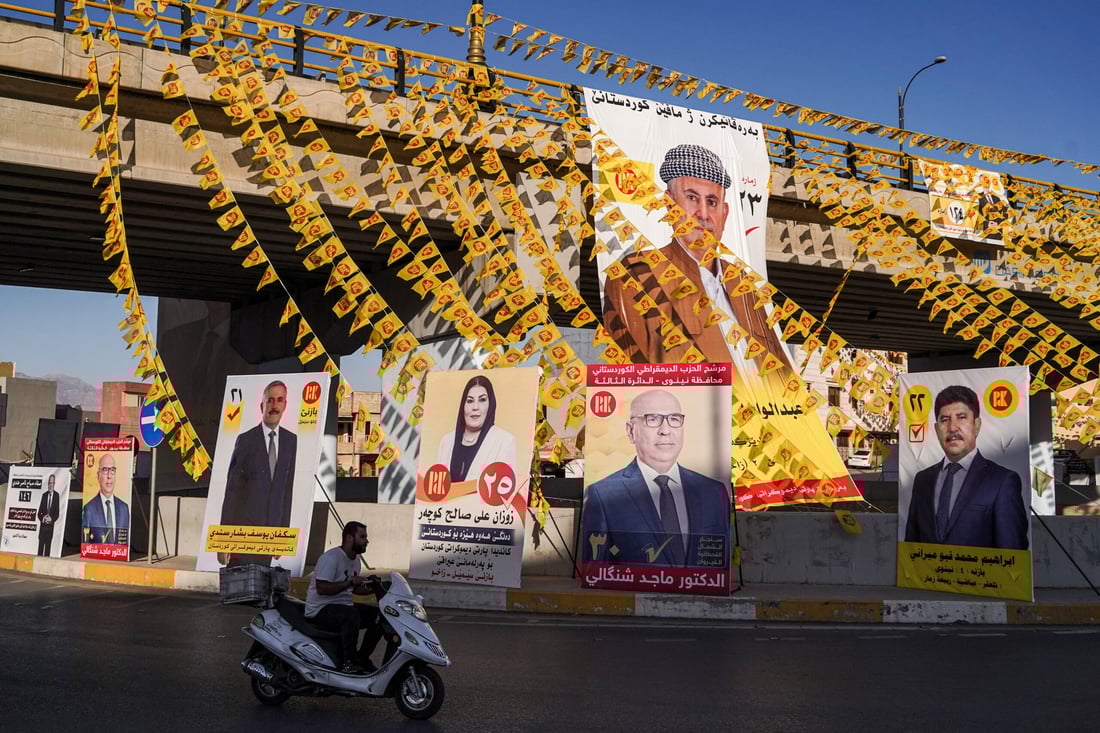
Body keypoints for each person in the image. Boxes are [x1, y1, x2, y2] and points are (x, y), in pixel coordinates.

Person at [601, 143, 786, 367]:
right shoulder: (637, 274)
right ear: (669, 204)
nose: (704, 214)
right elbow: (633, 377)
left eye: (711, 202)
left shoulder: (743, 284)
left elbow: (781, 372)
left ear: (724, 214)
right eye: (691, 198)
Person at [581, 389, 730, 566]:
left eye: (674, 419)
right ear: (630, 432)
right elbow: (596, 571)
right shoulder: (603, 495)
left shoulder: (712, 491)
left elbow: (721, 560)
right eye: (652, 419)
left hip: (700, 590)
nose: (665, 430)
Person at [904, 384, 1029, 550]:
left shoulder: (1001, 481)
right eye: (945, 420)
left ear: (976, 425)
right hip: (929, 575)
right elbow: (911, 546)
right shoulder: (923, 480)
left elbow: (1012, 552)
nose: (952, 428)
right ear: (936, 429)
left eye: (961, 417)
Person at [220, 380, 297, 566]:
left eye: (280, 400)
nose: (274, 406)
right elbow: (232, 492)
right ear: (262, 405)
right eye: (270, 400)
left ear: (285, 405)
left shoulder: (290, 441)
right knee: (241, 589)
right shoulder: (245, 440)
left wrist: (282, 536)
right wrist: (224, 541)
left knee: (262, 591)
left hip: (270, 536)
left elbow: (287, 492)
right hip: (244, 536)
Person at [304, 521, 382, 675]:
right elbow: (322, 589)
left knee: (380, 616)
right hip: (320, 609)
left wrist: (373, 587)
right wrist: (349, 582)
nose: (367, 540)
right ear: (349, 538)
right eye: (363, 536)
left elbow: (354, 589)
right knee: (351, 615)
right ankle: (349, 663)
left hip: (343, 606)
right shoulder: (331, 558)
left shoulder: (356, 560)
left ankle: (362, 658)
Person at [435, 375, 516, 482]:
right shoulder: (446, 441)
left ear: (490, 405)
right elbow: (435, 489)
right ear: (463, 405)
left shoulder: (504, 441)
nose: (475, 407)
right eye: (469, 401)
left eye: (482, 400)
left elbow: (506, 492)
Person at [82, 454, 130, 545]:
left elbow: (125, 542)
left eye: (112, 470)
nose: (109, 476)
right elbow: (86, 544)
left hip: (118, 557)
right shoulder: (89, 509)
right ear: (98, 475)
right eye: (105, 470)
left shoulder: (124, 508)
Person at [37, 473, 61, 556]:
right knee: (40, 550)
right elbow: (39, 513)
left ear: (54, 484)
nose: (50, 485)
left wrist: (51, 519)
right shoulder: (44, 495)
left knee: (47, 550)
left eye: (52, 483)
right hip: (42, 527)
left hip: (50, 528)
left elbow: (57, 513)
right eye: (49, 483)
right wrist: (43, 518)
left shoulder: (57, 496)